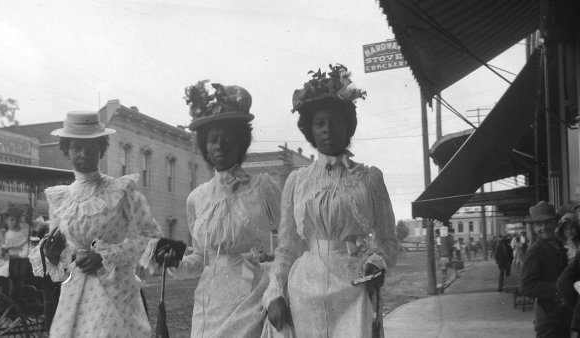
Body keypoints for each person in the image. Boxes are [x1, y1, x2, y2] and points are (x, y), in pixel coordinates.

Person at [263, 64, 398, 337]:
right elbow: (287, 249)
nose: (327, 130)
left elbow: (387, 241)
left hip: (353, 286)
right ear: (309, 130)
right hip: (304, 290)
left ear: (348, 125)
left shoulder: (369, 178)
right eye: (319, 123)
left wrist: (376, 263)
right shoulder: (297, 181)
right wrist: (275, 293)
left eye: (335, 122)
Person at [28, 111, 179, 338]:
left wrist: (107, 256)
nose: (84, 152)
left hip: (116, 291)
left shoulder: (121, 191)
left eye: (91, 146)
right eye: (76, 146)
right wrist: (52, 256)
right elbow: (61, 256)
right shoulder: (61, 198)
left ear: (101, 148)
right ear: (66, 149)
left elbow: (151, 238)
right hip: (75, 296)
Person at [160, 80, 281, 338]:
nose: (220, 146)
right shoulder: (197, 198)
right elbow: (202, 258)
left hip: (250, 289)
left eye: (229, 139)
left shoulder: (262, 187)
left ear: (241, 143)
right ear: (205, 147)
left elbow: (292, 242)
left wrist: (276, 289)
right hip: (209, 300)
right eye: (213, 140)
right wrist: (176, 262)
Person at [520, 201, 570, 337]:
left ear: (555, 222)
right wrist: (559, 292)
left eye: (547, 222)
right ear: (534, 228)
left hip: (564, 316)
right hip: (548, 318)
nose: (543, 227)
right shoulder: (534, 251)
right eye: (538, 224)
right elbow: (526, 286)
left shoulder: (561, 245)